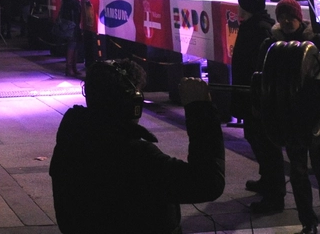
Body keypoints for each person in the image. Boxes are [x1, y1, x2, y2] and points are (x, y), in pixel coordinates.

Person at [49, 61, 224, 233]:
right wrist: (200, 110)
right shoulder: (134, 155)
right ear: (134, 104)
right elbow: (207, 183)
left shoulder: (72, 139)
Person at [255, 0, 320, 234]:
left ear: (299, 18)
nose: (285, 21)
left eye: (290, 16)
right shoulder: (271, 44)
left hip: (315, 118)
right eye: (282, 16)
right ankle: (309, 222)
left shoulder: (317, 42)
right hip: (290, 120)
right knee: (298, 173)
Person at [230, 0, 281, 202]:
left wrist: (255, 96)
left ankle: (273, 190)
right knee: (254, 135)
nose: (238, 9)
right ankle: (267, 179)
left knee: (263, 139)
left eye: (241, 5)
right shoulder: (255, 25)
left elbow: (257, 66)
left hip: (255, 94)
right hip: (250, 91)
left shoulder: (259, 29)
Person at [57, 0, 81, 77]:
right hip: (71, 23)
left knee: (74, 45)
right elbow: (73, 5)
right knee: (72, 45)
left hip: (71, 22)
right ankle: (69, 68)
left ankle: (73, 68)